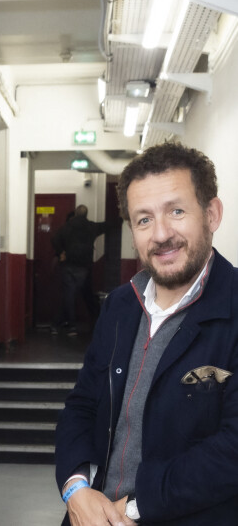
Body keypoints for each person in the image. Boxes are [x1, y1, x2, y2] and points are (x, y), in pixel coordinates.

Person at [55, 141, 238, 525]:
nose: (161, 234)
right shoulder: (120, 306)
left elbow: (232, 450)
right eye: (143, 219)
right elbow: (83, 403)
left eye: (176, 210)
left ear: (212, 213)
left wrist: (130, 508)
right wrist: (76, 488)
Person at [52, 204, 106, 335]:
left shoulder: (67, 227)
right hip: (84, 267)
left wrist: (60, 253)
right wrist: (122, 219)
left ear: (75, 213)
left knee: (68, 295)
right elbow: (106, 226)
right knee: (80, 295)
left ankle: (68, 325)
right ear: (86, 214)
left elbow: (54, 239)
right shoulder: (91, 227)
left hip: (69, 265)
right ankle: (95, 321)